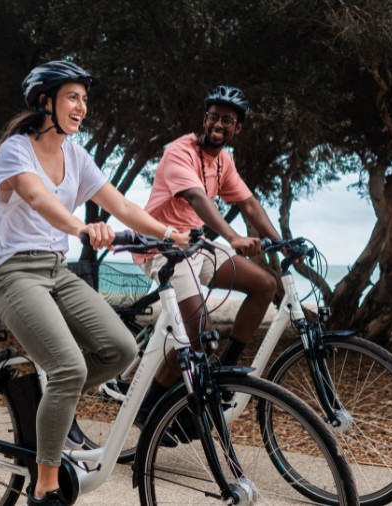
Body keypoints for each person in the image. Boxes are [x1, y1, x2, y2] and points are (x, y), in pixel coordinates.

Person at [0, 60, 188, 506]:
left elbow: (122, 206)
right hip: (10, 273)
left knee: (121, 350)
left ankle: (48, 402)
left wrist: (170, 234)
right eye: (73, 97)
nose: (82, 107)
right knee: (70, 367)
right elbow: (36, 196)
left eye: (85, 99)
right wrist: (82, 228)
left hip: (55, 270)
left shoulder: (77, 155)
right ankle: (45, 486)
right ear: (45, 101)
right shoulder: (17, 149)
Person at [133, 85, 280, 428]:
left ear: (237, 128)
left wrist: (281, 242)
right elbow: (198, 199)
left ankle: (226, 374)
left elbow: (248, 204)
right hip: (165, 250)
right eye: (213, 116)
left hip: (197, 247)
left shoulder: (223, 161)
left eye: (227, 119)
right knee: (202, 337)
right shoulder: (179, 152)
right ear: (204, 119)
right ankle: (147, 413)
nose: (218, 123)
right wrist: (232, 236)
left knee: (264, 285)